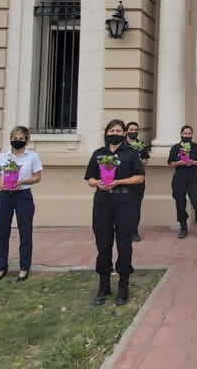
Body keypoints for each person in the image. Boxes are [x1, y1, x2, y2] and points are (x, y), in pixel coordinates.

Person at [85, 119, 146, 306]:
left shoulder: (131, 154)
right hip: (102, 202)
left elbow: (140, 177)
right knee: (103, 244)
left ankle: (123, 285)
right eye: (112, 129)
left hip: (124, 202)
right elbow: (90, 178)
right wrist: (98, 183)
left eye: (119, 130)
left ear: (124, 134)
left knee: (124, 244)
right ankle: (104, 285)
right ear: (107, 132)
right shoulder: (98, 154)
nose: (115, 133)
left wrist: (119, 182)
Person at [0, 126, 43, 282]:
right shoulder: (3, 157)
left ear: (26, 140)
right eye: (14, 138)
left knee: (25, 232)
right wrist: (3, 186)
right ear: (10, 138)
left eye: (21, 139)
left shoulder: (32, 157)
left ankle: (24, 267)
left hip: (23, 195)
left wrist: (23, 181)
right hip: (5, 196)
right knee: (2, 232)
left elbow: (38, 177)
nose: (17, 141)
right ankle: (1, 267)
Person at [168, 124, 197, 240]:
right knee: (180, 203)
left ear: (192, 135)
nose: (187, 135)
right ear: (181, 134)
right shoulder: (175, 147)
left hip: (193, 178)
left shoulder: (196, 147)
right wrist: (179, 162)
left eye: (189, 133)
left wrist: (192, 162)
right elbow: (170, 163)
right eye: (185, 133)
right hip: (179, 178)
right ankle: (183, 227)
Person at [125, 121, 150, 242]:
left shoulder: (141, 145)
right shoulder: (121, 145)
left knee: (135, 207)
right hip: (123, 180)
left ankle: (134, 232)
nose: (133, 132)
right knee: (123, 207)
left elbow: (146, 161)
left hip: (138, 180)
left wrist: (138, 158)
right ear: (126, 131)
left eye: (135, 130)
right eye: (131, 129)